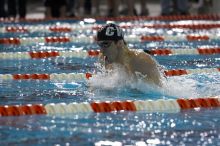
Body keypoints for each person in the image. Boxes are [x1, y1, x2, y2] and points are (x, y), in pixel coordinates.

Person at [96, 23, 163, 86]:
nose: (101, 51)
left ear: (119, 43)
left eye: (105, 44)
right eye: (100, 45)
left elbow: (159, 92)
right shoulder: (104, 59)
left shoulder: (142, 61)